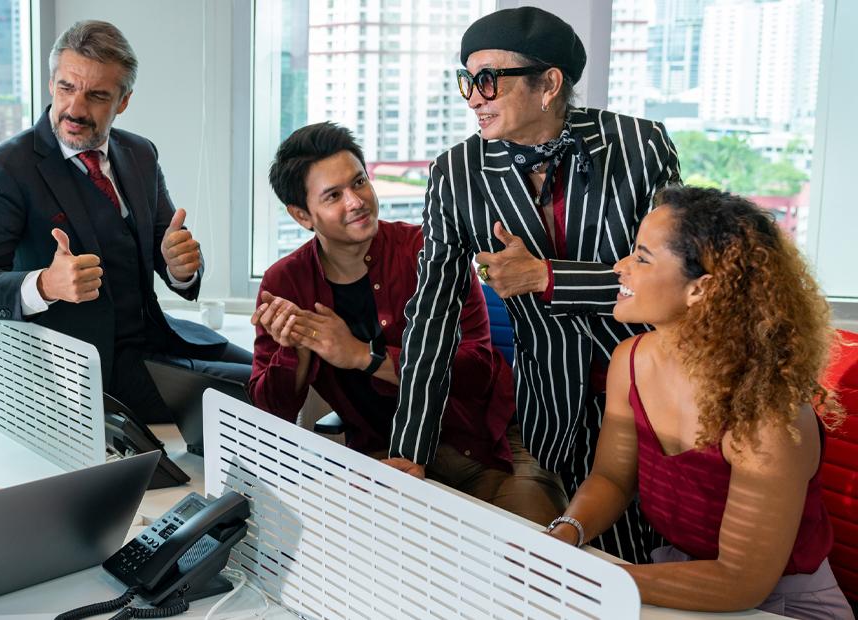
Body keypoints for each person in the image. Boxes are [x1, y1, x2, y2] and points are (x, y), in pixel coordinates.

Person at [384, 6, 681, 562]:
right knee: (593, 565)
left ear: (549, 83)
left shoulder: (640, 146)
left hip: (653, 395)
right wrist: (411, 451)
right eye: (465, 80)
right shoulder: (457, 172)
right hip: (551, 403)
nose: (473, 96)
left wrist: (547, 277)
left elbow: (675, 280)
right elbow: (431, 315)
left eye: (488, 79)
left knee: (659, 560)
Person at [546, 187, 850, 618]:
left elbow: (739, 583)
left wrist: (595, 579)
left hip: (779, 605)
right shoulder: (630, 360)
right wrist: (565, 534)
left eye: (642, 257)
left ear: (701, 289)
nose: (621, 267)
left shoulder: (766, 413)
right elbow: (613, 478)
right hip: (677, 579)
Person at [249, 122, 563, 524]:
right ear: (302, 215)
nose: (356, 201)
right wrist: (297, 351)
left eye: (359, 182)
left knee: (534, 554)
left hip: (484, 447)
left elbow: (477, 371)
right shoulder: (285, 282)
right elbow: (270, 408)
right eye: (333, 196)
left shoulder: (428, 252)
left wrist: (364, 356)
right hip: (386, 454)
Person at [0, 20, 250, 423]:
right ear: (51, 83)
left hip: (158, 338)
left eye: (96, 96)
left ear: (123, 101)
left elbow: (170, 255)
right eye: (66, 88)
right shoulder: (8, 169)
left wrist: (181, 268)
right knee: (259, 392)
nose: (75, 109)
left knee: (276, 373)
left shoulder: (140, 154)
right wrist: (45, 284)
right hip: (88, 370)